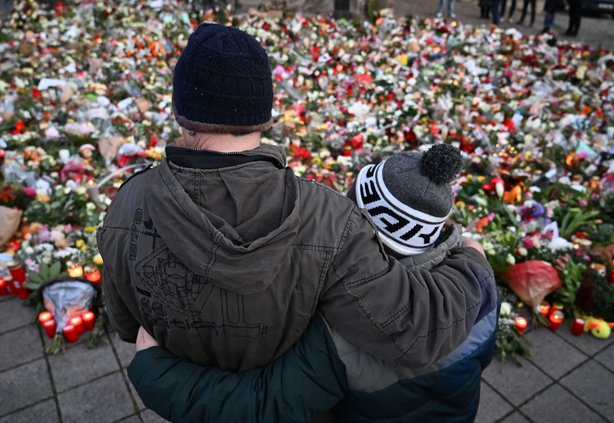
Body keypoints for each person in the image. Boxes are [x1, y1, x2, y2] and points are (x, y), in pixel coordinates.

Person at [98, 23, 491, 377]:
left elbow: (126, 323)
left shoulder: (127, 204)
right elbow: (415, 331)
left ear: (179, 111)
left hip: (184, 399)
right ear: (265, 115)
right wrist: (471, 260)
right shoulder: (328, 219)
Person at [128, 144, 499, 423]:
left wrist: (155, 369)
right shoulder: (477, 281)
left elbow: (261, 404)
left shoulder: (344, 329)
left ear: (356, 218)